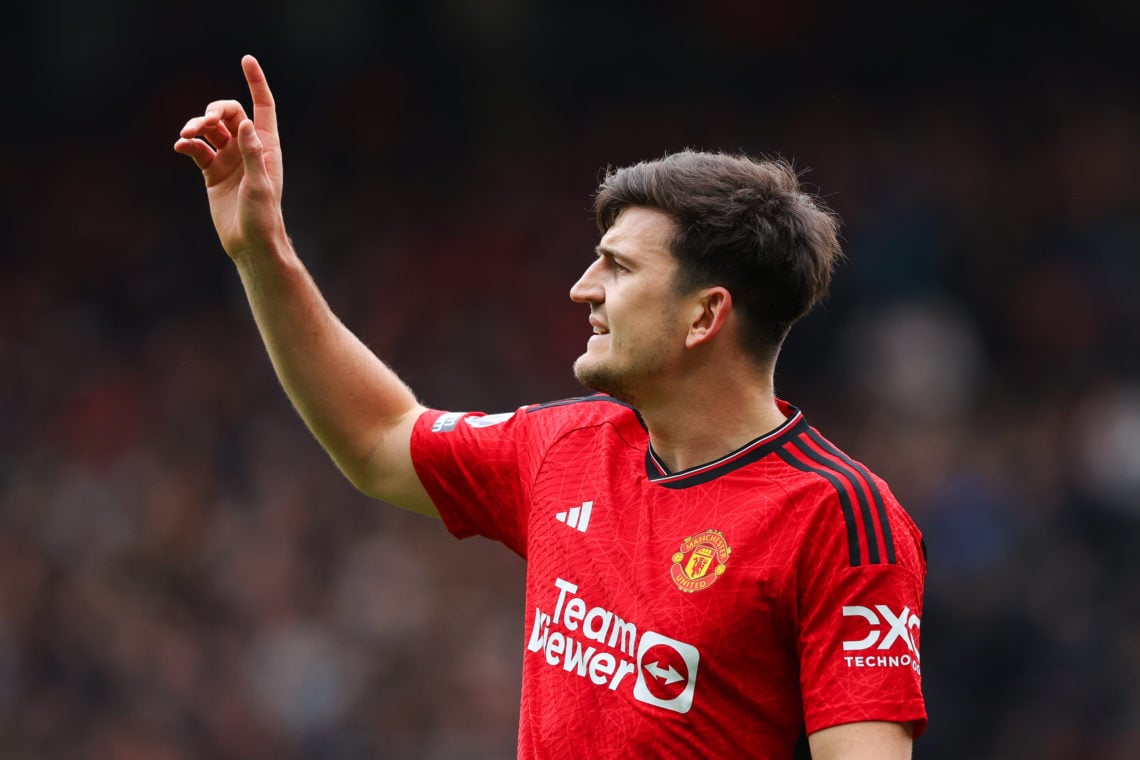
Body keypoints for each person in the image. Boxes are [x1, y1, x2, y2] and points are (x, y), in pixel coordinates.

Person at [175, 55, 927, 759]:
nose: (582, 288)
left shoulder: (840, 518)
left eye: (619, 267)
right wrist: (263, 252)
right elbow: (378, 438)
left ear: (705, 317)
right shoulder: (565, 447)